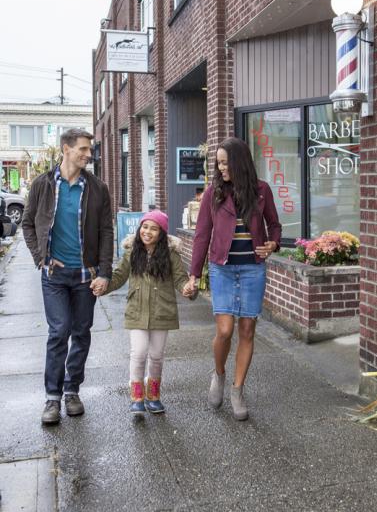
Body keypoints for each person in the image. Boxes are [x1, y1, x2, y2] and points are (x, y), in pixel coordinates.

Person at [184, 137, 281, 421]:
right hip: (222, 268)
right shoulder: (214, 192)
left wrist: (273, 244)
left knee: (247, 329)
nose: (221, 167)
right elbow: (202, 234)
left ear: (238, 162)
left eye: (225, 162)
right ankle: (219, 374)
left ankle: (238, 390)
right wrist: (194, 274)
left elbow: (274, 225)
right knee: (225, 330)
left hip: (252, 268)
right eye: (219, 163)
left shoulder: (261, 190)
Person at [22, 128, 113, 425]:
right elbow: (28, 223)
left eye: (90, 149)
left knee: (81, 332)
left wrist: (105, 272)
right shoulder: (43, 184)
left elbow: (105, 232)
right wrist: (40, 258)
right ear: (66, 149)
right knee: (58, 332)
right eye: (84, 149)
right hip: (55, 275)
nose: (89, 154)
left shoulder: (98, 188)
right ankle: (52, 397)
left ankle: (72, 390)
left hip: (86, 276)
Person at [91, 210, 196, 417]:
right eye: (145, 227)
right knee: (138, 353)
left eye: (154, 229)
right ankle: (137, 397)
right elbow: (120, 276)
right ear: (140, 228)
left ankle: (153, 396)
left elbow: (180, 279)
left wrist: (188, 289)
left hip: (162, 311)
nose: (147, 232)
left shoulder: (171, 255)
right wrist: (105, 286)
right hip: (137, 310)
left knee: (156, 356)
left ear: (161, 233)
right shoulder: (132, 252)